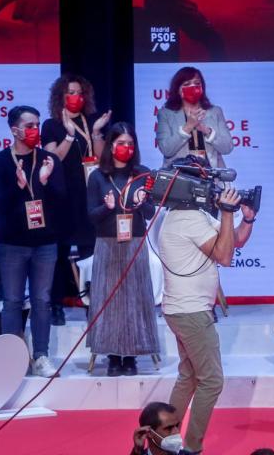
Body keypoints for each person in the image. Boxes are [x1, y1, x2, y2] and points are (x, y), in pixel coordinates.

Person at [158, 166, 251, 452]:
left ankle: (163, 442)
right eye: (204, 184)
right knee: (211, 381)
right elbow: (224, 256)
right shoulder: (187, 219)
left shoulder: (192, 216)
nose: (211, 189)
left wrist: (248, 218)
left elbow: (232, 241)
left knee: (188, 377)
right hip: (191, 313)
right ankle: (192, 447)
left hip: (183, 310)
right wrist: (226, 213)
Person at [0, 105, 66, 377]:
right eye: (29, 125)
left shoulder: (48, 160)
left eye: (37, 125)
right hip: (11, 243)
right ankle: (12, 358)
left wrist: (43, 181)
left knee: (42, 300)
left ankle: (41, 356)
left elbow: (60, 200)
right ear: (14, 129)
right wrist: (17, 187)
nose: (34, 130)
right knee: (12, 301)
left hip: (45, 243)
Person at [86, 122, 158, 377]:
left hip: (135, 243)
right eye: (121, 144)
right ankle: (113, 356)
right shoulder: (97, 176)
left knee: (135, 299)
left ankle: (132, 355)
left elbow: (150, 213)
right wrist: (107, 207)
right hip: (107, 244)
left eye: (130, 144)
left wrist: (141, 203)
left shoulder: (143, 173)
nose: (126, 148)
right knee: (110, 301)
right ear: (110, 146)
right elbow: (91, 216)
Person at [41, 74, 111, 325]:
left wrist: (95, 133)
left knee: (90, 252)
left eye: (80, 93)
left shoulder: (91, 120)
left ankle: (93, 302)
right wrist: (70, 137)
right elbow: (52, 159)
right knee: (59, 253)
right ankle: (56, 304)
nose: (76, 97)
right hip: (62, 196)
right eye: (71, 92)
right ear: (61, 96)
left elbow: (103, 159)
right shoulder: (51, 125)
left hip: (89, 195)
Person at [156, 67, 234, 168]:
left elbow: (227, 148)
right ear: (178, 90)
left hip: (210, 176)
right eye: (187, 84)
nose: (193, 87)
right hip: (178, 176)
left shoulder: (215, 111)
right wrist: (188, 126)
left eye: (197, 83)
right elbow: (166, 149)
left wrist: (206, 131)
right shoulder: (166, 113)